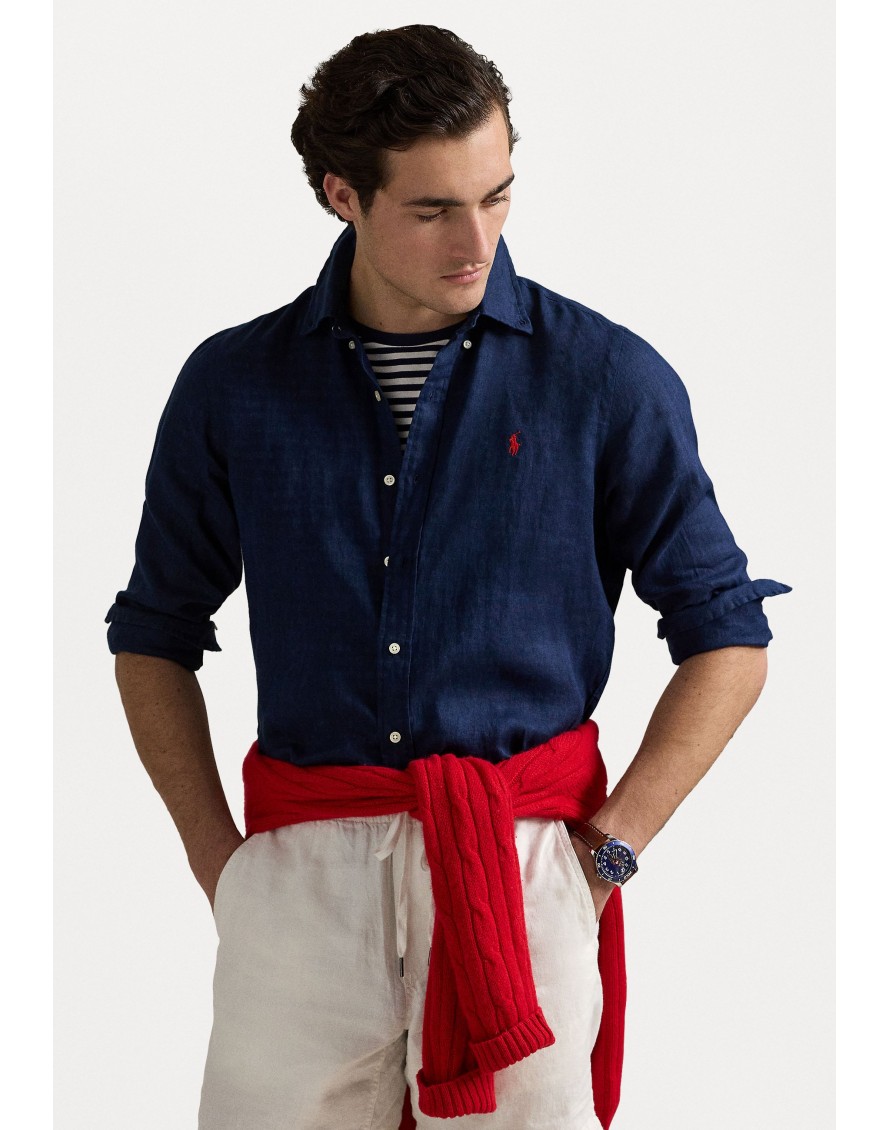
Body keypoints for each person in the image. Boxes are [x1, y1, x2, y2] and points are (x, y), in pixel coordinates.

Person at [106, 24, 790, 1130]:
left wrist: (605, 852)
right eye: (432, 210)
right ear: (342, 194)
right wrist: (217, 861)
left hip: (524, 871)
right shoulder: (235, 384)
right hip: (298, 877)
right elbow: (153, 633)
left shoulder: (603, 377)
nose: (476, 241)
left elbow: (728, 638)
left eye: (496, 196)